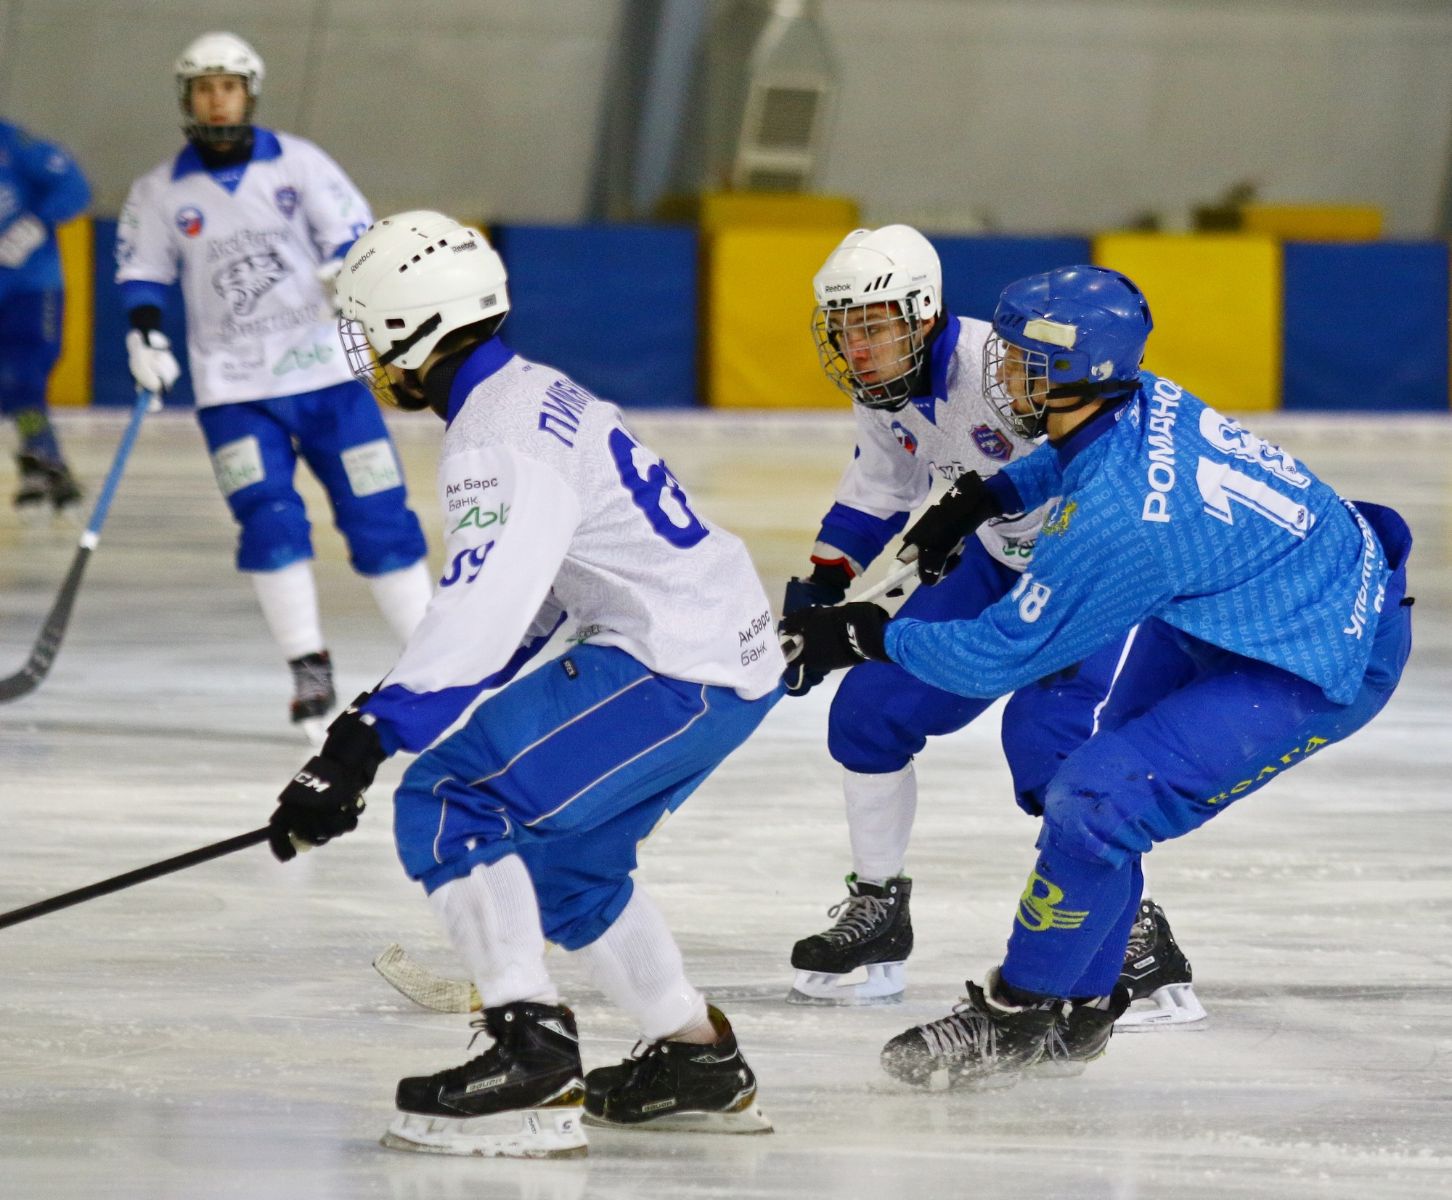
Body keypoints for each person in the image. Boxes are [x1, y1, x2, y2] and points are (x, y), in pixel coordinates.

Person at [781, 264, 1413, 1088]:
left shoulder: (1117, 523)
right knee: (1099, 789)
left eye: (1019, 363)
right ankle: (1081, 1008)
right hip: (1252, 592)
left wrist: (870, 637)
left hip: (1319, 645)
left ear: (1076, 373)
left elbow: (1001, 652)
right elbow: (1075, 456)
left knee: (1098, 795)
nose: (1000, 375)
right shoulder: (1134, 394)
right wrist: (990, 494)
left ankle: (1019, 1013)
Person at [266, 211, 784, 1157]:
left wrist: (363, 740)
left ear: (417, 330)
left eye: (373, 330)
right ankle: (695, 1056)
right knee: (575, 872)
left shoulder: (494, 439)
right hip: (723, 658)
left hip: (676, 661)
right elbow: (528, 603)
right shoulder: (535, 393)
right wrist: (394, 714)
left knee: (451, 796)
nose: (369, 357)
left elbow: (482, 610)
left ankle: (530, 1059)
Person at [784, 225, 1202, 1028]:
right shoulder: (886, 383)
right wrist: (823, 583)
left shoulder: (1012, 365)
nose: (858, 347)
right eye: (845, 328)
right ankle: (879, 910)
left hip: (1086, 572)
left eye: (873, 324)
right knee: (869, 714)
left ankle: (1136, 938)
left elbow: (1110, 455)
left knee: (1051, 759)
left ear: (926, 313)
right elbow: (885, 480)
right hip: (991, 557)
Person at [115, 32, 431, 736]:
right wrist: (145, 334)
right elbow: (143, 272)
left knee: (379, 515)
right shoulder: (160, 191)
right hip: (233, 389)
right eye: (204, 88)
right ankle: (308, 668)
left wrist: (343, 268)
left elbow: (352, 234)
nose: (217, 99)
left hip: (325, 376)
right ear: (187, 98)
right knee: (271, 520)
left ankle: (436, 661)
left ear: (248, 93)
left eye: (228, 86)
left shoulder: (301, 162)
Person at [0, 118, 90, 517]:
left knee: (24, 375)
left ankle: (40, 458)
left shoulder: (14, 143)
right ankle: (46, 459)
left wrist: (34, 224)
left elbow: (74, 186)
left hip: (32, 287)